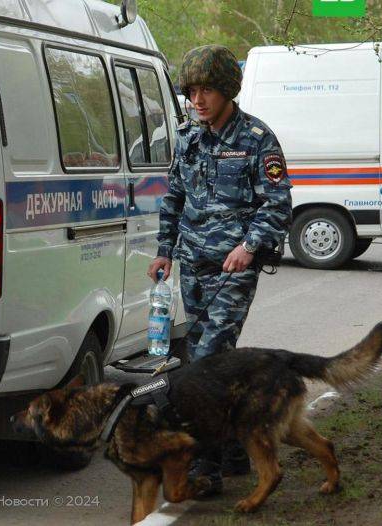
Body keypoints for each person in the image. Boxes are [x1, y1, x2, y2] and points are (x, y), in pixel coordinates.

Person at [146, 45, 293, 498]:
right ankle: (232, 449)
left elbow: (277, 204)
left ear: (227, 89)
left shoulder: (256, 139)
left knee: (208, 362)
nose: (198, 100)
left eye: (206, 90)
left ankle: (205, 466)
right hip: (192, 264)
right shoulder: (189, 137)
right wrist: (164, 250)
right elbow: (174, 197)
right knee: (203, 357)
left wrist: (248, 247)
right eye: (192, 91)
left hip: (233, 270)